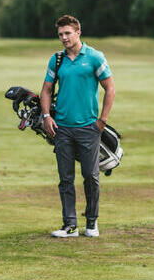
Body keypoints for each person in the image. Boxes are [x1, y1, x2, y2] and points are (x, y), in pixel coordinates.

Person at [40, 14, 115, 238]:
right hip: (61, 128)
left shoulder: (94, 57)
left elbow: (109, 88)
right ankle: (70, 225)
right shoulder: (57, 60)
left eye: (68, 33)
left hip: (88, 128)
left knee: (91, 176)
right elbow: (46, 90)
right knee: (65, 178)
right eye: (61, 34)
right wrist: (46, 116)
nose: (64, 38)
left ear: (78, 32)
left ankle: (91, 222)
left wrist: (102, 121)